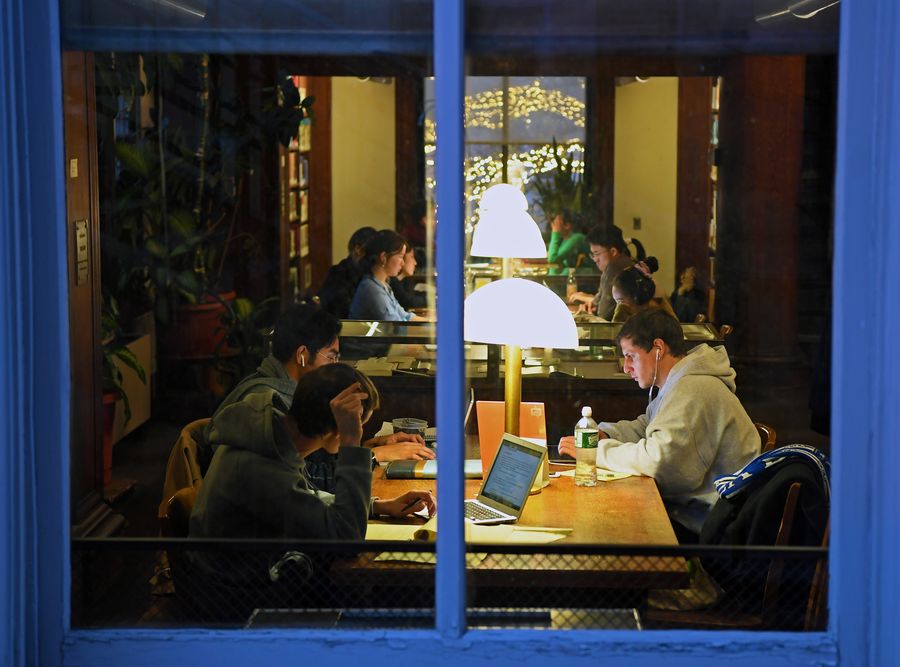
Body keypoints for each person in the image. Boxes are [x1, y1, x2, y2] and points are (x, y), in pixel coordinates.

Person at [190, 364, 436, 596]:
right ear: (339, 430)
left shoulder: (270, 436)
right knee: (395, 594)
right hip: (244, 599)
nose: (358, 433)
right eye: (359, 427)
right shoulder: (260, 466)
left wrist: (377, 506)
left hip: (259, 577)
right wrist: (352, 443)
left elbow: (303, 496)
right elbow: (347, 538)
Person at [558, 310, 759, 538]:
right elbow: (648, 426)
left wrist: (595, 452)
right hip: (698, 512)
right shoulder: (681, 383)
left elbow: (660, 463)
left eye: (631, 356)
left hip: (712, 525)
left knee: (604, 528)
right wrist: (606, 434)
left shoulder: (694, 390)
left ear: (658, 348)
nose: (626, 367)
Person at [202, 302, 434, 492]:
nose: (335, 366)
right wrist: (373, 456)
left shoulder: (283, 390)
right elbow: (311, 479)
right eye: (331, 357)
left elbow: (316, 459)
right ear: (302, 355)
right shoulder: (266, 403)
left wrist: (367, 446)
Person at [348, 229, 428, 321]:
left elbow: (405, 316)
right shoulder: (371, 289)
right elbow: (395, 324)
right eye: (401, 257)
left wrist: (431, 321)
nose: (402, 263)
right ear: (384, 257)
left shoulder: (384, 285)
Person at [567, 224, 635, 320]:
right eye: (593, 254)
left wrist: (588, 314)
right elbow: (601, 302)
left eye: (597, 254)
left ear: (613, 251)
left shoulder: (614, 268)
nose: (595, 259)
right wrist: (594, 303)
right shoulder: (625, 261)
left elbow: (604, 313)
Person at [317, 226, 377, 318]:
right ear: (358, 250)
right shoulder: (338, 275)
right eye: (373, 254)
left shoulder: (365, 274)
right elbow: (349, 312)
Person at [611, 259, 677, 323]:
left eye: (620, 301)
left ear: (638, 296)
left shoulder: (657, 321)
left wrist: (618, 323)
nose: (618, 307)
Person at [389, 246, 427, 310]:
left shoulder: (405, 281)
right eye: (412, 257)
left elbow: (412, 295)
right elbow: (409, 302)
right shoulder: (392, 283)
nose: (415, 263)